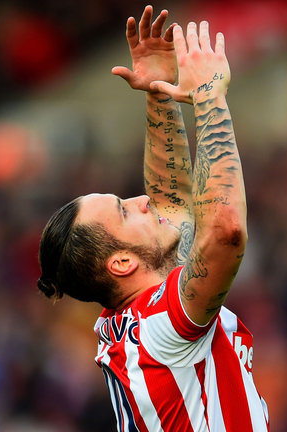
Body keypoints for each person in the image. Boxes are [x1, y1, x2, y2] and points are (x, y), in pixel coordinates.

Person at [36, 5, 269, 431]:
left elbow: (173, 207)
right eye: (124, 211)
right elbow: (225, 232)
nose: (143, 200)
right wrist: (209, 96)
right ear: (122, 264)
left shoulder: (125, 318)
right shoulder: (161, 324)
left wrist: (159, 90)